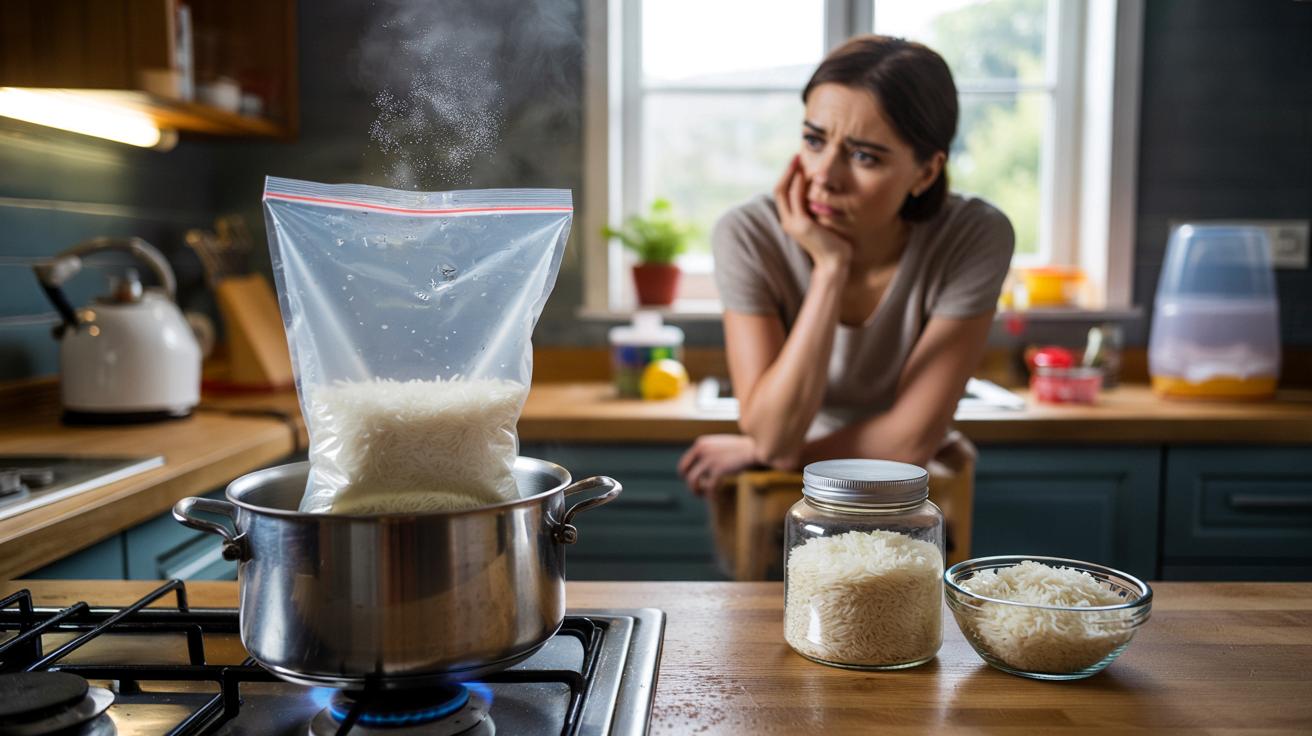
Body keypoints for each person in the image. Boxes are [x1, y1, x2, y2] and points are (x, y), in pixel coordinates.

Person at [679, 35, 1014, 496]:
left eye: (863, 156)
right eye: (814, 140)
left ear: (926, 173)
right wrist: (830, 270)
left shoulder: (974, 236)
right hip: (780, 491)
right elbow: (773, 433)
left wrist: (771, 457)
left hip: (907, 488)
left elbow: (911, 440)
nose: (824, 175)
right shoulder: (748, 234)